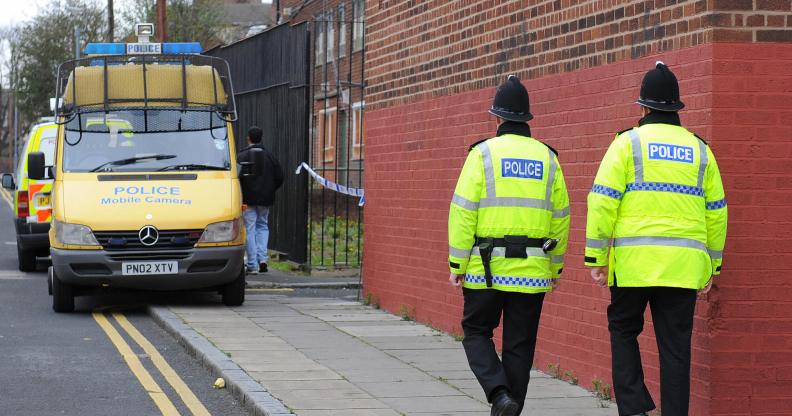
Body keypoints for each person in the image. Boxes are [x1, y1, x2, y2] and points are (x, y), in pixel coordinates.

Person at [585, 62, 728, 416]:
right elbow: (717, 211)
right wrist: (714, 265)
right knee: (676, 349)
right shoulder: (700, 151)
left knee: (623, 330)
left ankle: (633, 407)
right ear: (677, 108)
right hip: (682, 268)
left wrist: (596, 257)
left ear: (643, 107)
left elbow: (602, 201)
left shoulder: (626, 144)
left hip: (633, 266)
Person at [448, 75, 570, 416]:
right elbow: (561, 218)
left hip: (485, 269)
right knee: (519, 345)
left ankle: (499, 395)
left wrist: (457, 264)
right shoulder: (548, 159)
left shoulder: (482, 154)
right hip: (531, 270)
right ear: (527, 118)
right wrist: (555, 267)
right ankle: (509, 407)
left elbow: (462, 212)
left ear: (498, 118)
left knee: (475, 331)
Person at [238, 126, 284, 274]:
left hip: (247, 199)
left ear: (248, 138)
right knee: (263, 226)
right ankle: (263, 259)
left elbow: (236, 178)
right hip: (265, 198)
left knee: (249, 230)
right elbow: (279, 177)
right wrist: (270, 190)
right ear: (261, 137)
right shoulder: (270, 156)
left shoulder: (242, 156)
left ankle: (252, 264)